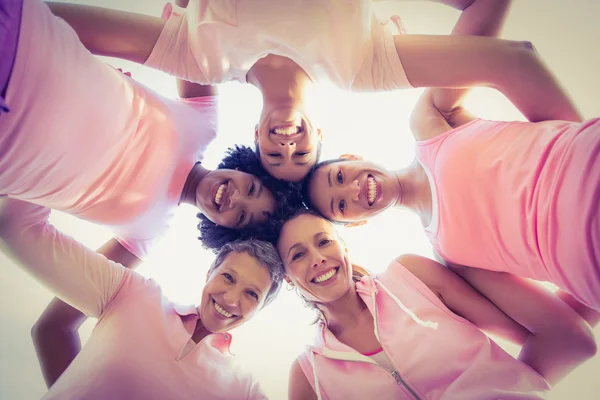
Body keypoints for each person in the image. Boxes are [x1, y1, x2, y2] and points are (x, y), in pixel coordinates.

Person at [0, 0, 283, 386]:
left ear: (227, 231)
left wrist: (27, 172)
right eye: (250, 187)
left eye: (243, 216)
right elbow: (191, 31)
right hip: (23, 39)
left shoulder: (145, 236)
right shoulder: (203, 124)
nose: (236, 198)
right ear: (241, 166)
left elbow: (58, 321)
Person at [47, 0, 575, 183]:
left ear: (254, 133)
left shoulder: (198, 58)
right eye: (302, 152)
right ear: (320, 132)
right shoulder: (363, 69)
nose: (287, 142)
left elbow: (51, 21)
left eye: (274, 153)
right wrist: (443, 98)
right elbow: (513, 60)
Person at [301, 0, 600, 314]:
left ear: (352, 156)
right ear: (356, 223)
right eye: (342, 205)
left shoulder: (430, 120)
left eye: (339, 177)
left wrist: (575, 146)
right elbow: (558, 321)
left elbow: (505, 39)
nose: (353, 189)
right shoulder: (450, 259)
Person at [275, 210, 596, 399]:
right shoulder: (308, 376)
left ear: (344, 247)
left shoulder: (410, 277)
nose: (318, 259)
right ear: (288, 278)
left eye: (324, 241)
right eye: (298, 255)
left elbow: (533, 334)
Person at [0, 198, 284, 399]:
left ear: (261, 307)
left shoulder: (243, 391)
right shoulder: (133, 294)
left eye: (251, 294)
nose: (232, 298)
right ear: (210, 271)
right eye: (228, 277)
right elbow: (15, 227)